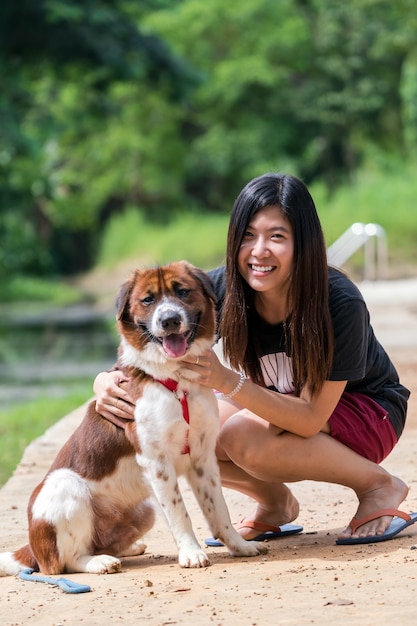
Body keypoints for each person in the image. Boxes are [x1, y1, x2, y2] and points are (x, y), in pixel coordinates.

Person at [94, 172, 414, 545]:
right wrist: (105, 378)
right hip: (288, 403)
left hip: (366, 412)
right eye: (248, 235)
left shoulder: (339, 302)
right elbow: (146, 335)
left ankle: (380, 486)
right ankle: (274, 503)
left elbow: (310, 419)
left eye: (276, 236)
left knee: (240, 435)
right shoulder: (225, 287)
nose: (259, 250)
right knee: (191, 428)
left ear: (303, 243)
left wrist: (227, 381)